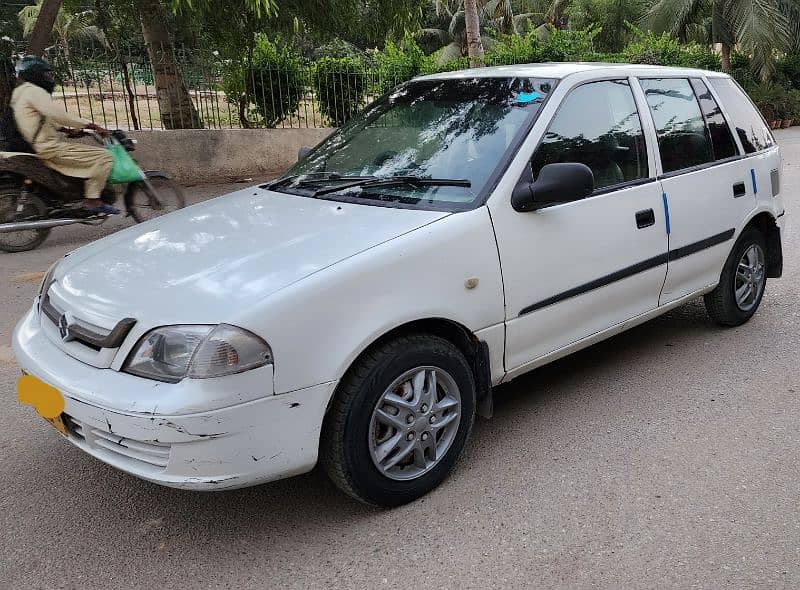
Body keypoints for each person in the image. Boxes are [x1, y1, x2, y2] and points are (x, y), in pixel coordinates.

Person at [10, 55, 118, 214]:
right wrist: (91, 125)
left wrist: (67, 130)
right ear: (36, 74)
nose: (49, 78)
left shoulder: (20, 92)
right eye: (46, 74)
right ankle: (93, 200)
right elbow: (55, 113)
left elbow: (40, 119)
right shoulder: (34, 92)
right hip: (49, 147)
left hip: (38, 145)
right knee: (105, 157)